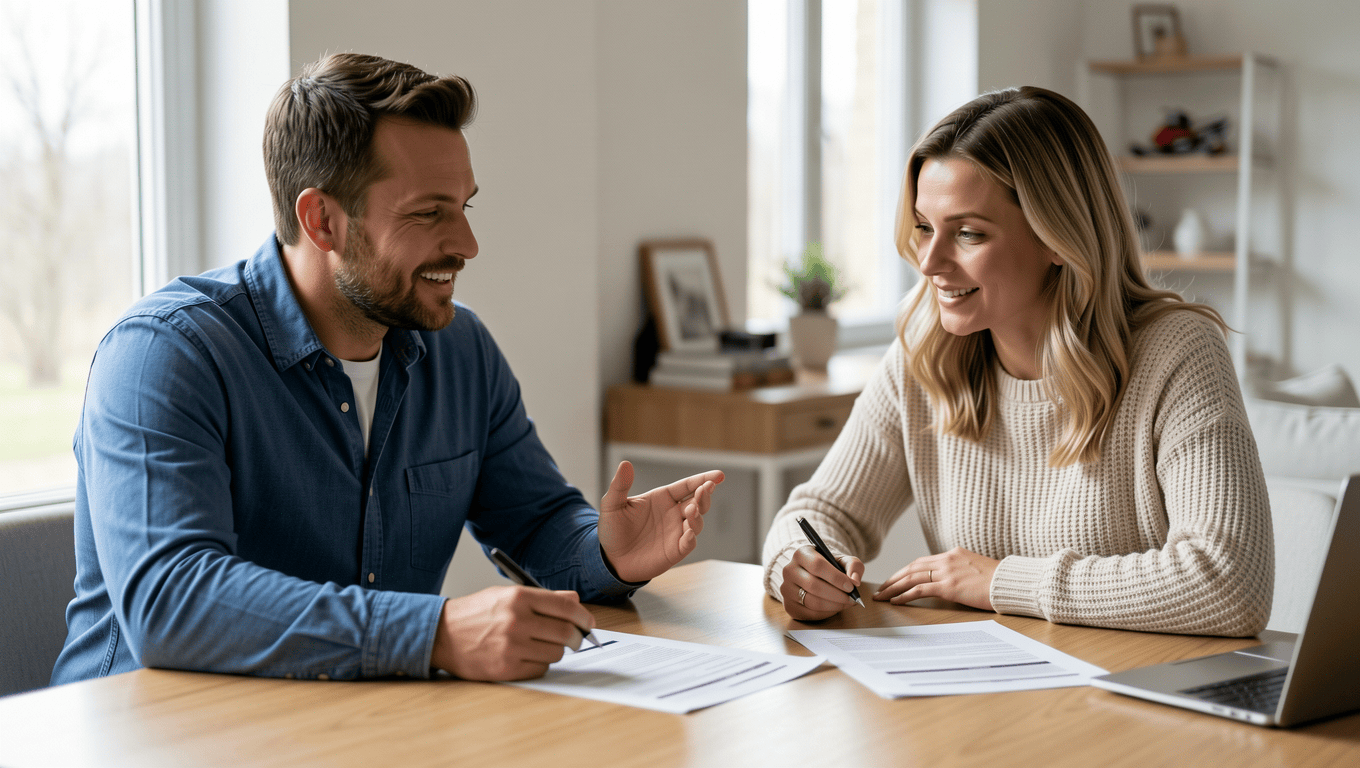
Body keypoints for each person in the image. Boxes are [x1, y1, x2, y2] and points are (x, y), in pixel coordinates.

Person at [51, 52, 723, 685]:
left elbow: (537, 522)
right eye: (429, 213)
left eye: (464, 207)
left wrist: (604, 554)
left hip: (351, 730)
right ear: (322, 221)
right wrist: (435, 633)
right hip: (149, 738)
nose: (466, 244)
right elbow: (172, 602)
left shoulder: (462, 350)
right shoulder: (164, 356)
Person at [763, 86, 1272, 636]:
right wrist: (798, 564)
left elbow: (1229, 582)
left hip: (1132, 699)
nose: (930, 262)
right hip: (990, 702)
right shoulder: (924, 354)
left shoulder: (1178, 352)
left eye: (968, 233)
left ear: (1058, 237)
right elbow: (817, 513)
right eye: (924, 227)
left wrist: (999, 581)